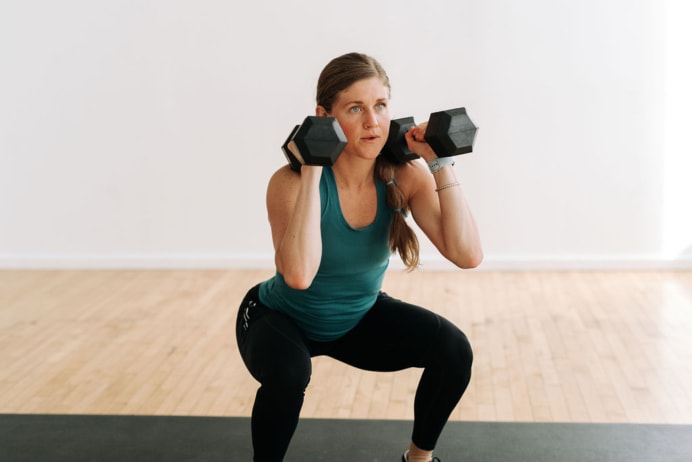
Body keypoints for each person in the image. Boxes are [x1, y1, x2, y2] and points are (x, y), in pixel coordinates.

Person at [235, 52, 483, 462]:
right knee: (289, 375)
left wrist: (440, 162)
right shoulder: (289, 183)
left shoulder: (404, 176)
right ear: (323, 117)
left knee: (453, 350)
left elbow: (467, 254)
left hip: (357, 318)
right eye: (355, 108)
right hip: (278, 318)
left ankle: (418, 460)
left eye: (381, 106)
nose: (373, 122)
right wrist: (314, 167)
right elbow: (298, 276)